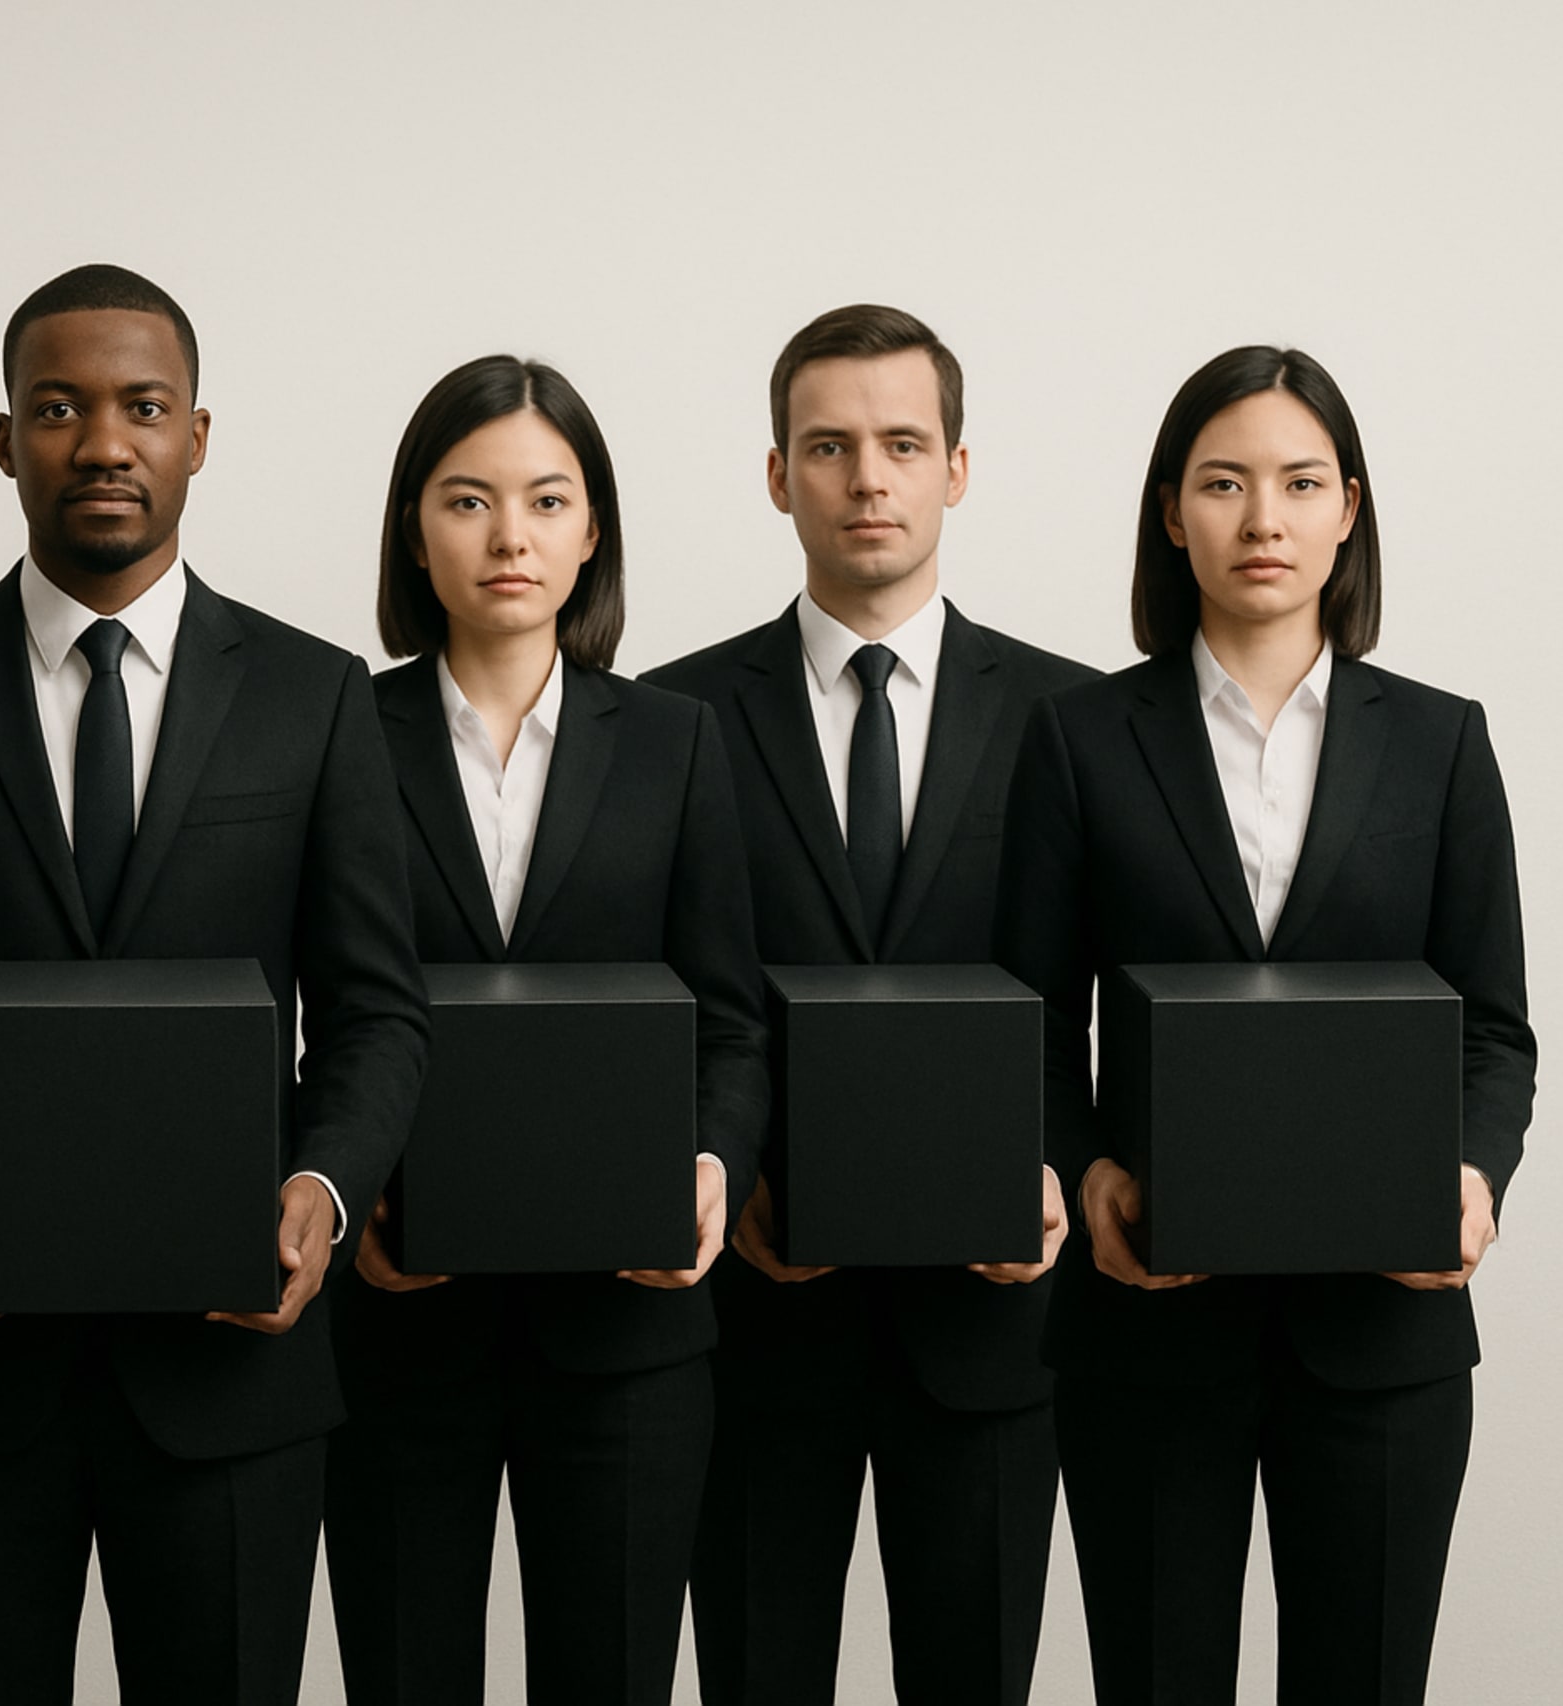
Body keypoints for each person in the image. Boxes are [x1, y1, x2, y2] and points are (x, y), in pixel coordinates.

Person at [0, 262, 429, 1706]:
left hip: (232, 1373)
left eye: (143, 405)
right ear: (6, 440)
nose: (104, 441)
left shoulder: (312, 697)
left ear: (200, 433)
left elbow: (376, 1012)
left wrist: (316, 1200)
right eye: (59, 407)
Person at [994, 345, 1533, 1705]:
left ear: (1348, 507)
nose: (1263, 519)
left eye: (1300, 483)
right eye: (1224, 483)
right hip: (1147, 1322)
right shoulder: (1078, 738)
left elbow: (1496, 1032)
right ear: (1172, 509)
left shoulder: (1441, 741)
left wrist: (1471, 1179)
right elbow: (1033, 1020)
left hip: (1385, 1336)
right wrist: (1086, 1171)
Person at [645, 304, 1090, 1704]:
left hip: (991, 1321)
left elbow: (1100, 994)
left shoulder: (1073, 720)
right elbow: (670, 997)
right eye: (829, 446)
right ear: (777, 473)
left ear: (959, 466)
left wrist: (1066, 1176)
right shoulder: (673, 721)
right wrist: (729, 1171)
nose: (868, 479)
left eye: (903, 443)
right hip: (759, 1323)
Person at [324, 354, 767, 1705]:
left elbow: (734, 1023)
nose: (509, 536)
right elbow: (311, 1007)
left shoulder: (679, 741)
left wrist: (713, 1168)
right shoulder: (335, 725)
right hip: (399, 1328)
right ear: (416, 526)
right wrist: (342, 1194)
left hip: (628, 1338)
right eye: (468, 500)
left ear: (592, 531)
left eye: (545, 500)